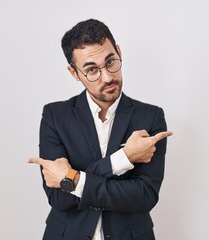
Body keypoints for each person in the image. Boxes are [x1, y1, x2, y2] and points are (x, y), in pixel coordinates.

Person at [28, 19, 173, 240]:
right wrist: (123, 159)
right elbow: (59, 199)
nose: (107, 77)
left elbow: (144, 197)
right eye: (92, 70)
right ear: (74, 73)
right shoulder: (55, 116)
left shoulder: (150, 117)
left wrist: (73, 180)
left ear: (119, 51)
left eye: (111, 61)